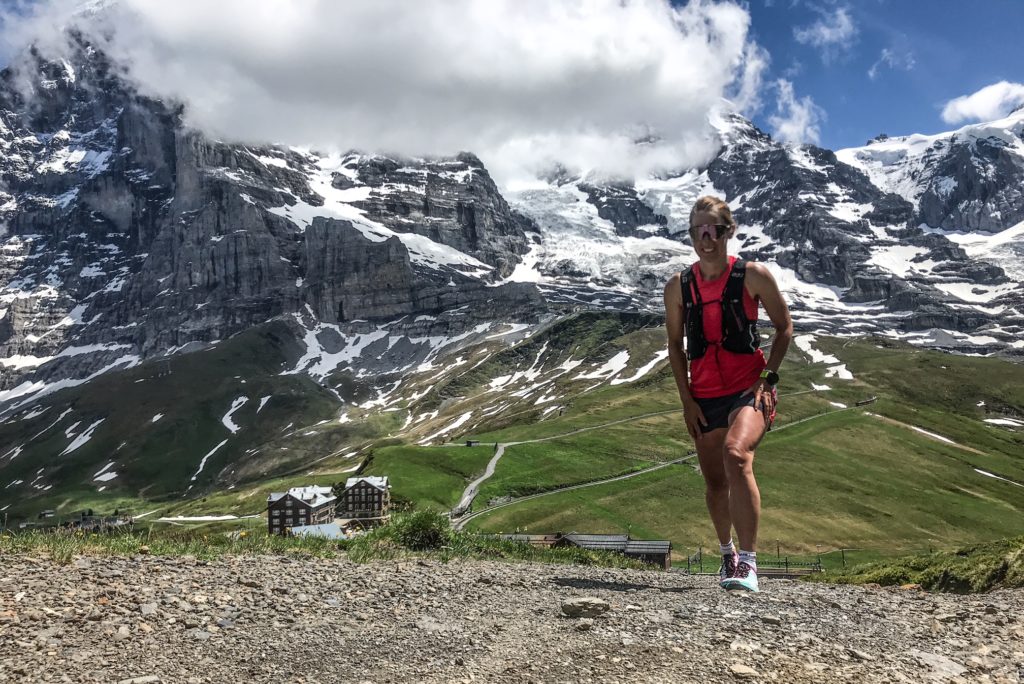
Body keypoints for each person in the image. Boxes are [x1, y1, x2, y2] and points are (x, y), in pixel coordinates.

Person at [664, 196, 793, 592]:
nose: (706, 239)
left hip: (747, 389)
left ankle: (750, 566)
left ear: (728, 232)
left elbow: (784, 328)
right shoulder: (679, 287)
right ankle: (727, 555)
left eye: (714, 230)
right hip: (703, 397)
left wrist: (767, 380)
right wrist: (687, 401)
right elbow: (675, 346)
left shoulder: (752, 276)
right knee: (715, 482)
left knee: (737, 456)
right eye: (698, 231)